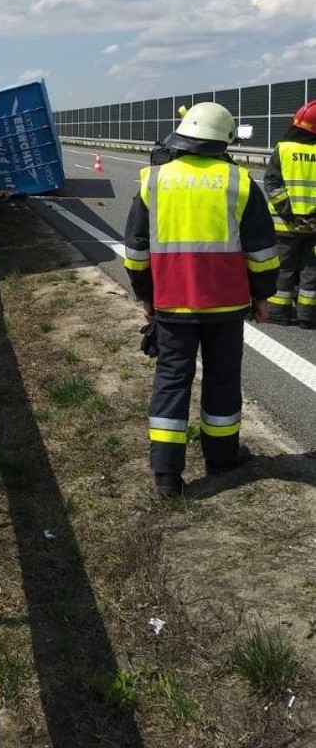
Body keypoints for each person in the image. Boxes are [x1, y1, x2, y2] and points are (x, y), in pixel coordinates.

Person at [123, 102, 278, 498]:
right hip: (226, 306)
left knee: (172, 381)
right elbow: (261, 251)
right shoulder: (239, 182)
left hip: (172, 303)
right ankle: (222, 458)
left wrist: (145, 296)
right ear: (225, 140)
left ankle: (166, 476)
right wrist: (262, 296)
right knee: (223, 381)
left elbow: (136, 251)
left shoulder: (153, 180)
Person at [263, 101, 316, 328]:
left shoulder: (283, 149)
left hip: (284, 227)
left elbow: (272, 184)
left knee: (283, 270)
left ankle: (278, 314)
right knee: (311, 272)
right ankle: (308, 317)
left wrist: (289, 213)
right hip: (314, 228)